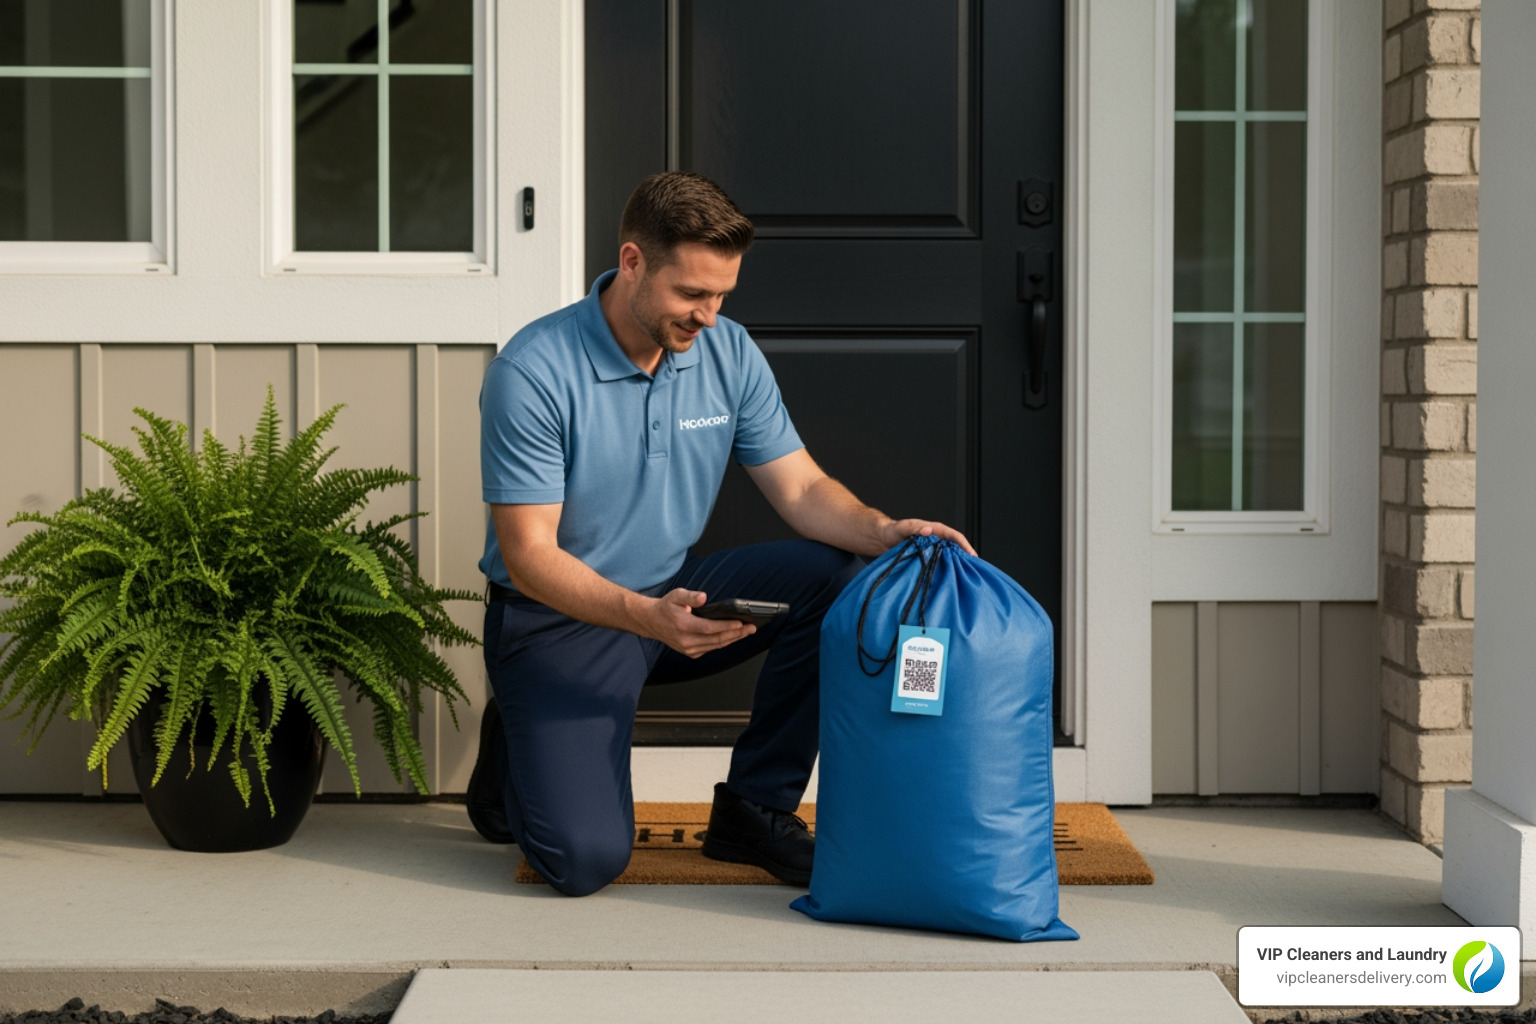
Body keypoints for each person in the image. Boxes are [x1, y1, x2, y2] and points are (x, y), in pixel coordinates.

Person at [469, 171, 974, 896]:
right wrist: (646, 617)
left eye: (721, 296)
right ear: (634, 261)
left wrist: (885, 531)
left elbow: (800, 489)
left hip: (669, 600)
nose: (708, 315)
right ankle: (519, 736)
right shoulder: (534, 373)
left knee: (839, 576)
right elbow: (531, 556)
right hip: (560, 621)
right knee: (583, 862)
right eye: (691, 294)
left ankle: (754, 809)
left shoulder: (726, 352)